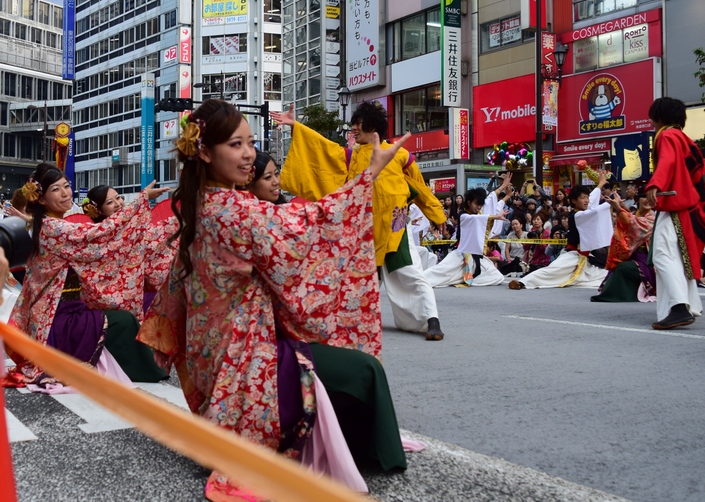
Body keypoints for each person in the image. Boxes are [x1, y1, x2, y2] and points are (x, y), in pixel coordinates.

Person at [138, 99, 410, 500]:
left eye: (250, 142)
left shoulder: (198, 204)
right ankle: (370, 452)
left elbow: (180, 283)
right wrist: (368, 173)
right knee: (364, 370)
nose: (248, 153)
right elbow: (314, 227)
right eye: (235, 144)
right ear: (206, 151)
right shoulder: (235, 209)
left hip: (211, 357)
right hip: (247, 359)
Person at [276, 102, 447, 341]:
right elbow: (322, 148)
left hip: (396, 227)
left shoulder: (400, 154)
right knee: (360, 280)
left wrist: (436, 215)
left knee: (411, 273)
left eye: (358, 124)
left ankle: (432, 320)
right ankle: (349, 322)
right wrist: (296, 126)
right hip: (365, 230)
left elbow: (419, 187)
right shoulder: (352, 156)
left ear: (372, 126)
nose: (353, 128)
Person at [5, 164, 171, 387]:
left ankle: (141, 366)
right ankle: (143, 370)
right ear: (41, 199)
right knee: (122, 321)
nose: (65, 193)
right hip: (56, 318)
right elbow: (100, 235)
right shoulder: (53, 227)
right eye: (56, 189)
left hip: (68, 309)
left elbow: (103, 248)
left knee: (124, 317)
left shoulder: (50, 224)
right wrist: (140, 202)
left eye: (66, 186)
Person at [645, 97, 705, 330]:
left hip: (676, 205)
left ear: (659, 116)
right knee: (681, 258)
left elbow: (667, 162)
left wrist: (655, 183)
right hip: (694, 209)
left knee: (662, 255)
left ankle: (680, 307)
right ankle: (690, 304)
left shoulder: (666, 135)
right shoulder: (686, 139)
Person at [508, 175, 611, 290]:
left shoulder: (584, 211)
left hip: (587, 258)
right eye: (583, 198)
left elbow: (592, 202)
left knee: (603, 274)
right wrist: (610, 204)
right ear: (574, 201)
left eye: (587, 197)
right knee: (553, 270)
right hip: (573, 254)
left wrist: (600, 184)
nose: (587, 200)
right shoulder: (577, 215)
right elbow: (594, 210)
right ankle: (523, 283)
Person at [423, 185, 509, 288]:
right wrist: (495, 217)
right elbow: (475, 219)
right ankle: (413, 281)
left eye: (480, 205)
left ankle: (465, 278)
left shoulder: (478, 214)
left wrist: (504, 189)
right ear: (469, 202)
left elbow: (490, 199)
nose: (478, 207)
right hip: (460, 254)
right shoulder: (464, 216)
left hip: (475, 257)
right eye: (476, 204)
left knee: (497, 276)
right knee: (441, 272)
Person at [591, 193, 656, 303]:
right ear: (638, 200)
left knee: (623, 268)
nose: (647, 200)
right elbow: (632, 218)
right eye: (644, 196)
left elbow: (633, 223)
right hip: (631, 255)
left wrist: (619, 208)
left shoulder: (652, 218)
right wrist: (621, 207)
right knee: (616, 267)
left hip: (646, 259)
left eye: (650, 197)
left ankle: (625, 295)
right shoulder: (636, 214)